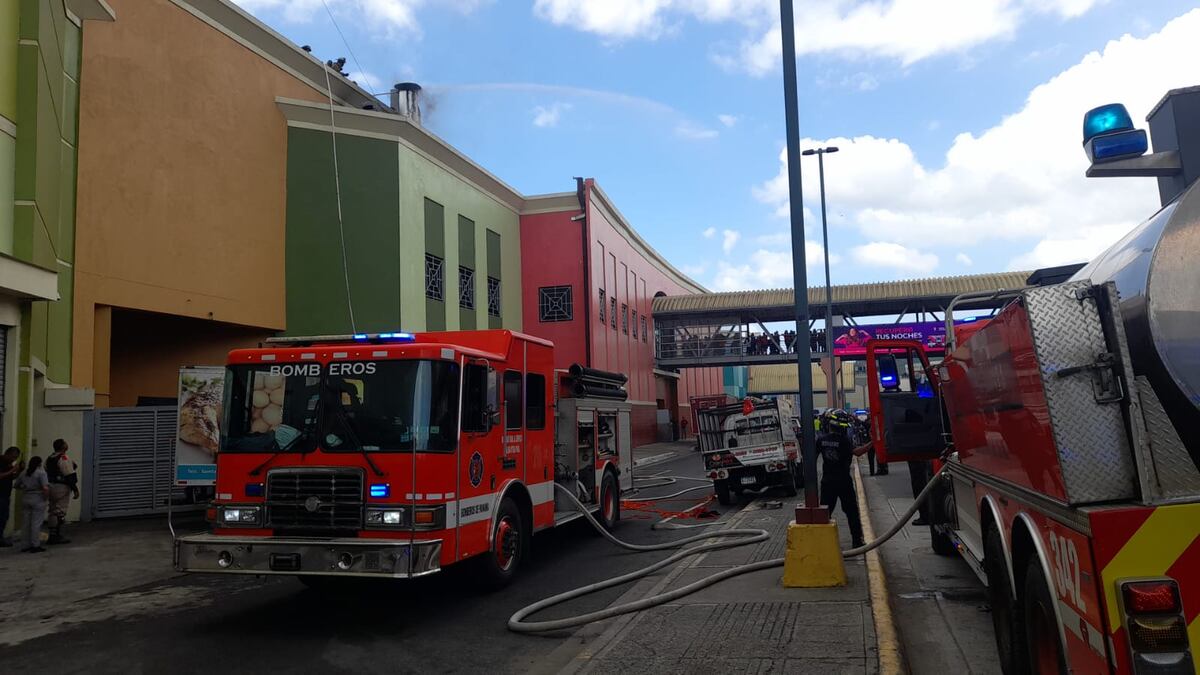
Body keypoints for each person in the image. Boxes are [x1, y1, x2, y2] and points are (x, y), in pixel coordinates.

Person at [817, 409, 871, 548]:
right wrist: (873, 443)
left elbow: (811, 458)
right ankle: (857, 541)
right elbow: (857, 452)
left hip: (827, 483)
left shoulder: (822, 440)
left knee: (824, 514)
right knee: (852, 513)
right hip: (843, 482)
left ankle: (821, 543)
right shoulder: (844, 441)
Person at [45, 439, 79, 545]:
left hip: (51, 485)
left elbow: (46, 470)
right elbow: (69, 474)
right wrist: (75, 489)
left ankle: (52, 534)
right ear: (63, 446)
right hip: (61, 486)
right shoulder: (63, 458)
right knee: (60, 511)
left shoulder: (50, 458)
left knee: (52, 510)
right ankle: (55, 536)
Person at [15, 455, 48, 553]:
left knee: (26, 523)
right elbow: (45, 488)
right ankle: (35, 545)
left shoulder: (23, 473)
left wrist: (25, 487)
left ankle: (25, 545)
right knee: (36, 523)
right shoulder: (41, 473)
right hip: (38, 497)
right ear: (40, 463)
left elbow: (16, 485)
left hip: (26, 497)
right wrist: (46, 498)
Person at [0, 446, 22, 546]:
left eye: (16, 458)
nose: (14, 460)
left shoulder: (8, 464)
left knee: (4, 517)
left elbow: (10, 476)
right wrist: (12, 469)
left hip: (5, 494)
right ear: (7, 454)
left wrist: (18, 471)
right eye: (13, 457)